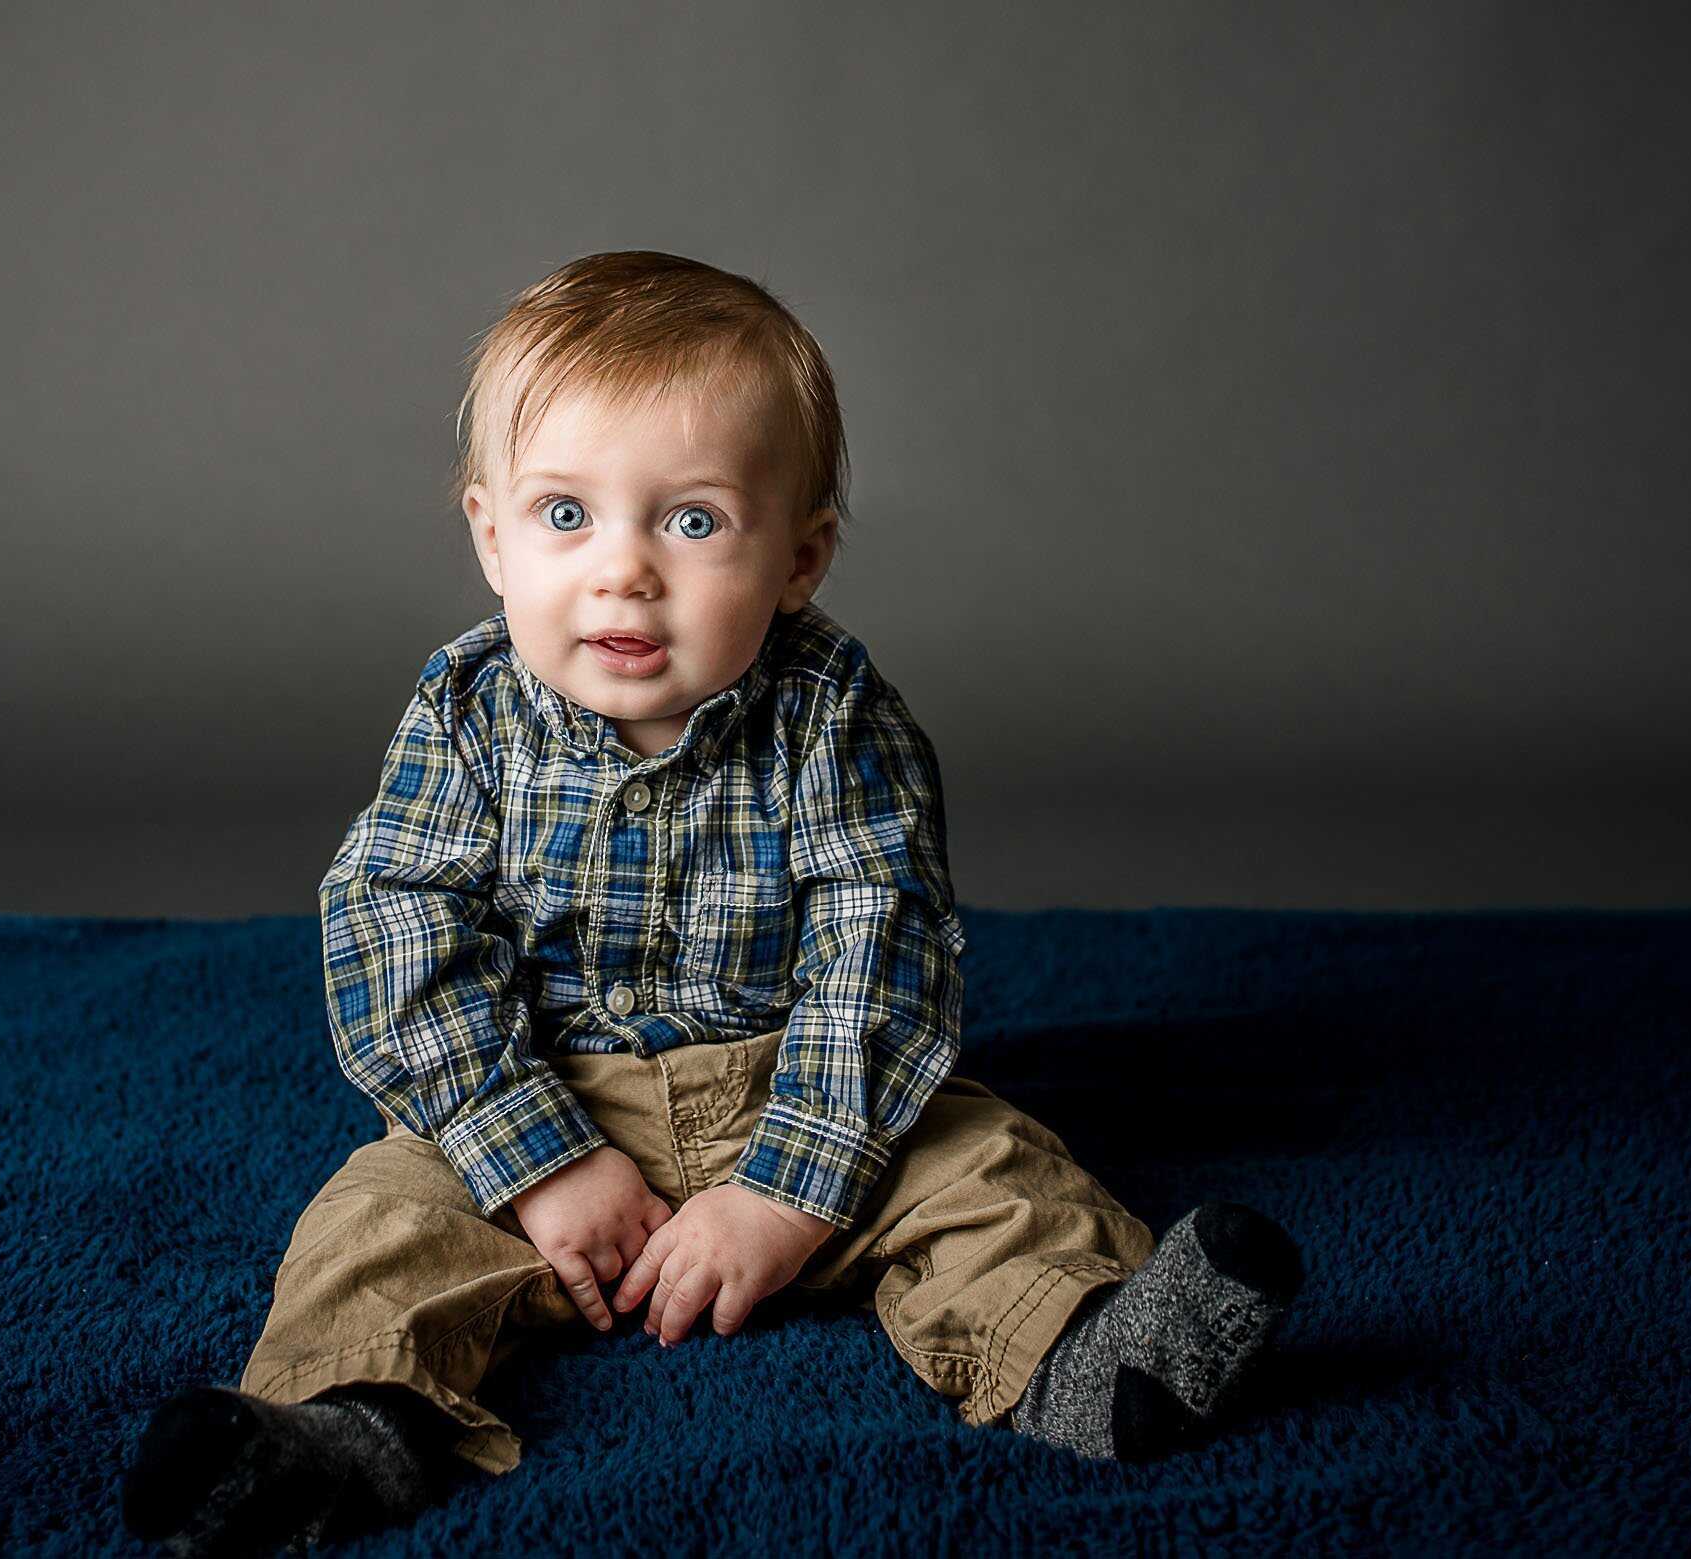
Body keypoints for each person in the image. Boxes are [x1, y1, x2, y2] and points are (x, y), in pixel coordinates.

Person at [121, 251, 1306, 1554]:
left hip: (797, 1087)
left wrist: (792, 1190)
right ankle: (343, 1430)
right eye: (566, 517)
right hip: (546, 1089)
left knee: (988, 1169)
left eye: (691, 521)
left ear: (799, 558)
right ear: (489, 535)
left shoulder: (835, 718)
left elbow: (882, 950)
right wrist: (540, 1157)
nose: (625, 571)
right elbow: (400, 929)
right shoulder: (467, 716)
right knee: (373, 1219)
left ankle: (1088, 1354)